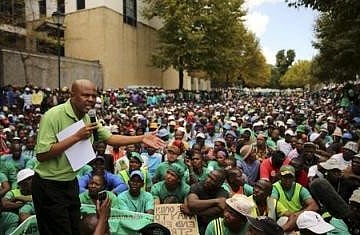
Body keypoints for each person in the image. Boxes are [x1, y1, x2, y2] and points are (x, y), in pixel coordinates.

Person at [32, 79, 165, 235]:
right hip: (49, 185)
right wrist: (76, 137)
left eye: (94, 96)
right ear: (72, 95)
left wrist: (141, 138)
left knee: (75, 229)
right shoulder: (53, 116)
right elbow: (42, 155)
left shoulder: (88, 117)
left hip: (69, 182)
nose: (91, 100)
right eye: (85, 95)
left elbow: (110, 138)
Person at [182, 169, 229, 234]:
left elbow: (218, 210)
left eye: (213, 180)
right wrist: (216, 201)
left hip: (210, 225)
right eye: (208, 176)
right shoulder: (198, 185)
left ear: (219, 184)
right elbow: (192, 204)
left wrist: (194, 213)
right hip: (193, 222)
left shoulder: (222, 193)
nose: (208, 180)